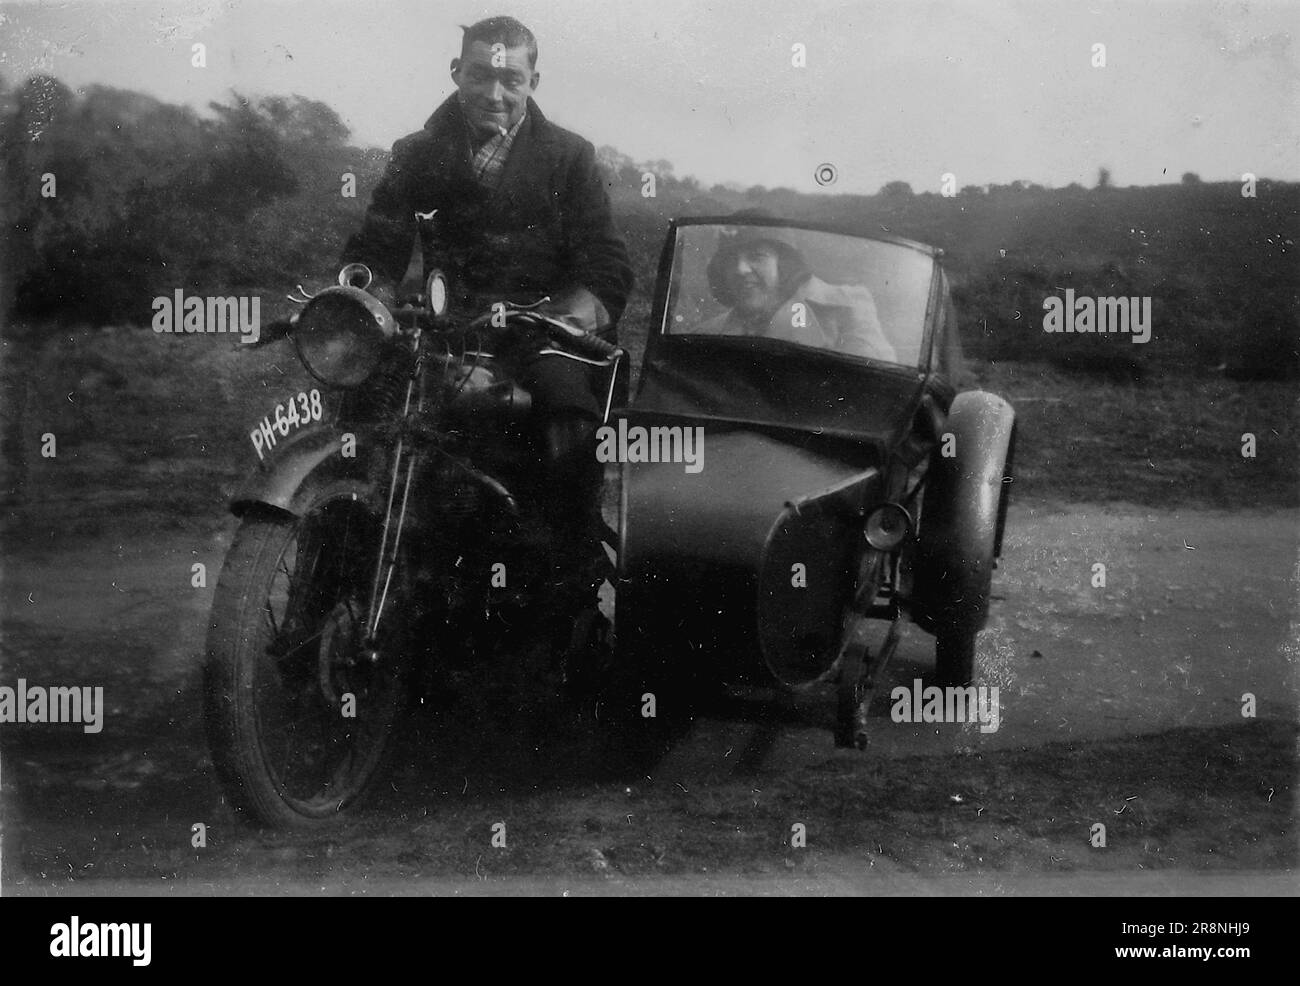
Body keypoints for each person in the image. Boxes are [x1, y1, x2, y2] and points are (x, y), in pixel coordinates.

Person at [340, 15, 633, 606]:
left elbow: (606, 267)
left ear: (533, 81)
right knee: (358, 403)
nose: (493, 93)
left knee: (565, 419)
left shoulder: (570, 157)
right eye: (479, 75)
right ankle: (334, 579)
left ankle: (566, 588)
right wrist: (363, 297)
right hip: (446, 332)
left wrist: (557, 320)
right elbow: (378, 246)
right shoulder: (417, 152)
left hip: (542, 333)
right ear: (457, 73)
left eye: (510, 79)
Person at [701, 223, 897, 362]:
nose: (740, 269)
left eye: (757, 256)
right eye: (730, 261)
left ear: (785, 265)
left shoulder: (847, 310)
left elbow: (875, 395)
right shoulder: (705, 334)